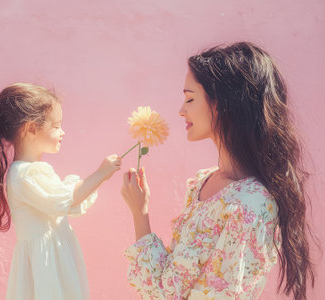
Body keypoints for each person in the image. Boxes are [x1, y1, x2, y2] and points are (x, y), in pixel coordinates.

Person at [121, 42, 315, 299]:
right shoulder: (203, 182)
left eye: (190, 98)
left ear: (222, 104)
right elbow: (168, 288)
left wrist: (140, 214)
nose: (181, 110)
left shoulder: (250, 205)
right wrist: (140, 212)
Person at [0, 83, 121, 300]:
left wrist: (100, 178)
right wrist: (100, 174)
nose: (62, 131)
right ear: (31, 128)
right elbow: (64, 201)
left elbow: (69, 203)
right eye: (56, 125)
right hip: (45, 267)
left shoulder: (32, 172)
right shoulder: (25, 174)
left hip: (53, 260)